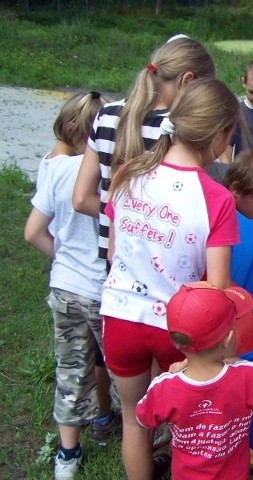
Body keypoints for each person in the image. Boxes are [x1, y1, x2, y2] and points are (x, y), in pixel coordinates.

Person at [101, 77, 240, 480]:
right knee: (188, 426)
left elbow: (112, 253)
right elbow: (217, 290)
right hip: (177, 331)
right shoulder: (216, 198)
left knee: (134, 419)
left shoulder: (127, 173)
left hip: (120, 317)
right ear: (219, 135)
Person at [23, 91, 110, 479]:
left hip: (65, 289)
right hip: (106, 293)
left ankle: (68, 455)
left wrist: (64, 260)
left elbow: (32, 233)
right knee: (119, 367)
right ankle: (114, 426)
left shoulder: (54, 168)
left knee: (71, 371)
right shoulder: (110, 173)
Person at [72, 34, 216, 263]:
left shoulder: (106, 115)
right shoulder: (179, 128)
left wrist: (121, 218)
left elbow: (80, 199)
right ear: (188, 81)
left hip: (116, 259)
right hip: (163, 261)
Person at [136, 281, 253, 480]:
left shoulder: (165, 387)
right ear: (228, 339)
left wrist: (165, 377)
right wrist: (245, 364)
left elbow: (142, 418)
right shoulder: (247, 376)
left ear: (175, 342)